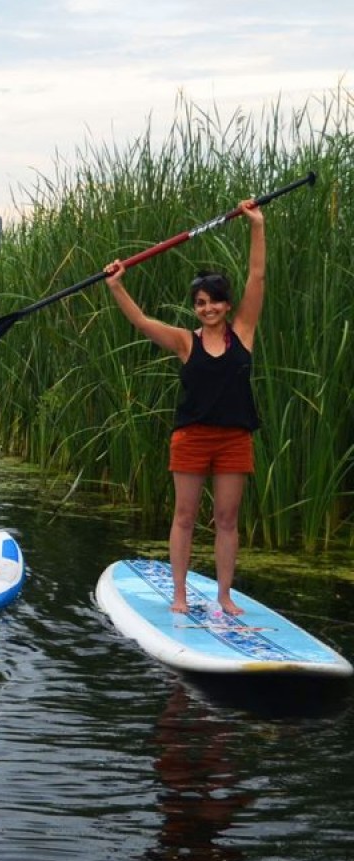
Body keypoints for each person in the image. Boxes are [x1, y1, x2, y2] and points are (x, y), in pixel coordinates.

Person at [102, 198, 266, 616]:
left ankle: (224, 596)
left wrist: (256, 225)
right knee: (185, 517)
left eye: (215, 301)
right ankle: (179, 595)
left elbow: (257, 275)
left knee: (227, 519)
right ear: (195, 307)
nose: (208, 308)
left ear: (227, 305)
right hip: (192, 437)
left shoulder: (243, 332)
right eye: (201, 303)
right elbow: (141, 322)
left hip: (234, 439)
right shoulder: (184, 341)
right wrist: (117, 286)